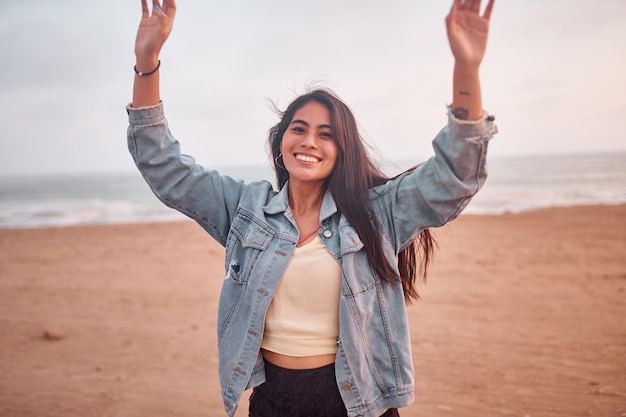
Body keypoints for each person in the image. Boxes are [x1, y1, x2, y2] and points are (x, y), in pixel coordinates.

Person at [127, 0, 497, 416]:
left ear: (342, 150)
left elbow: (455, 175)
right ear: (281, 139)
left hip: (355, 401)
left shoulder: (376, 214)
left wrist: (466, 68)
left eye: (326, 134)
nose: (308, 142)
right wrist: (147, 60)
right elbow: (163, 166)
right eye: (298, 129)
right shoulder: (245, 209)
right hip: (273, 400)